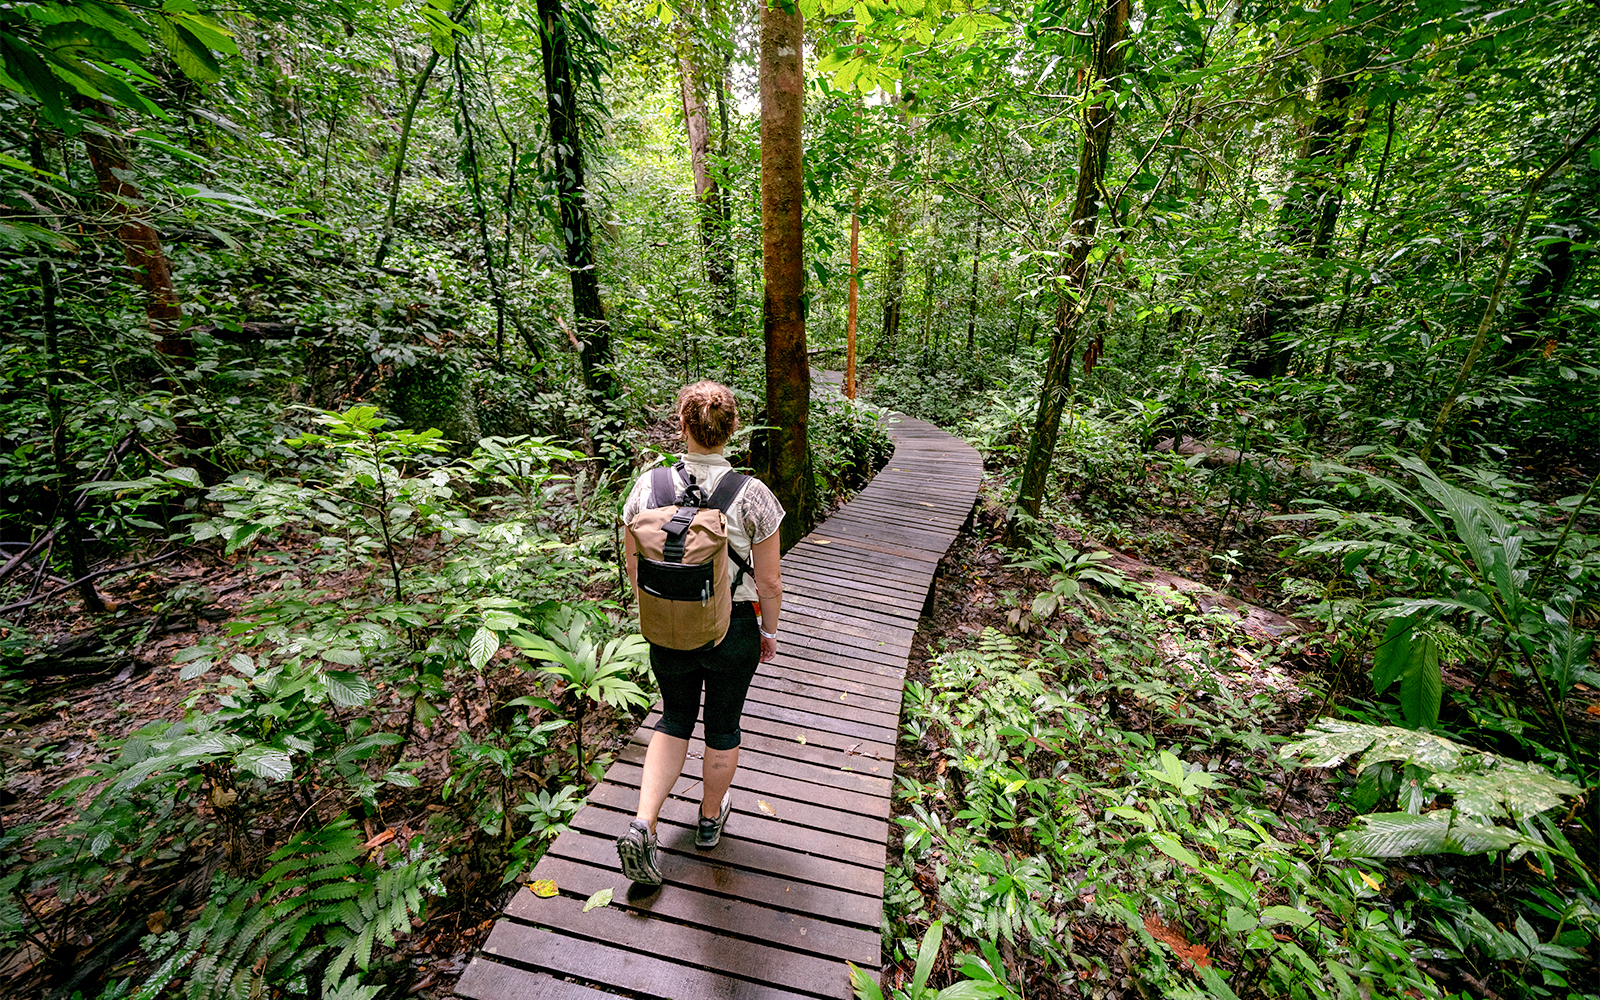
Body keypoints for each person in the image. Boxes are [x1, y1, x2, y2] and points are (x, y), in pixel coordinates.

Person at [615, 381, 784, 886]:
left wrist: (665, 612)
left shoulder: (648, 487)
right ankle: (709, 822)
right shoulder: (752, 495)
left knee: (673, 719)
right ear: (732, 428)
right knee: (723, 725)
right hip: (731, 629)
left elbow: (634, 565)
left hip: (668, 627)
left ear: (682, 425)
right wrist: (768, 631)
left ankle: (644, 824)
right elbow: (771, 580)